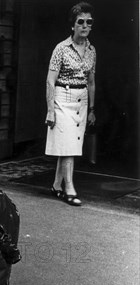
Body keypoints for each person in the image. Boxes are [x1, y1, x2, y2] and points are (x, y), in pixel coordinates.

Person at [45, 2, 96, 206]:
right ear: (73, 25)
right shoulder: (61, 49)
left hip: (81, 100)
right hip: (62, 98)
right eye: (80, 22)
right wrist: (50, 110)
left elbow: (91, 81)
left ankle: (57, 185)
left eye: (89, 22)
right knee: (69, 147)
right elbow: (50, 80)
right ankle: (70, 189)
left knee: (71, 144)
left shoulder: (92, 50)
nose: (85, 25)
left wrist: (92, 109)